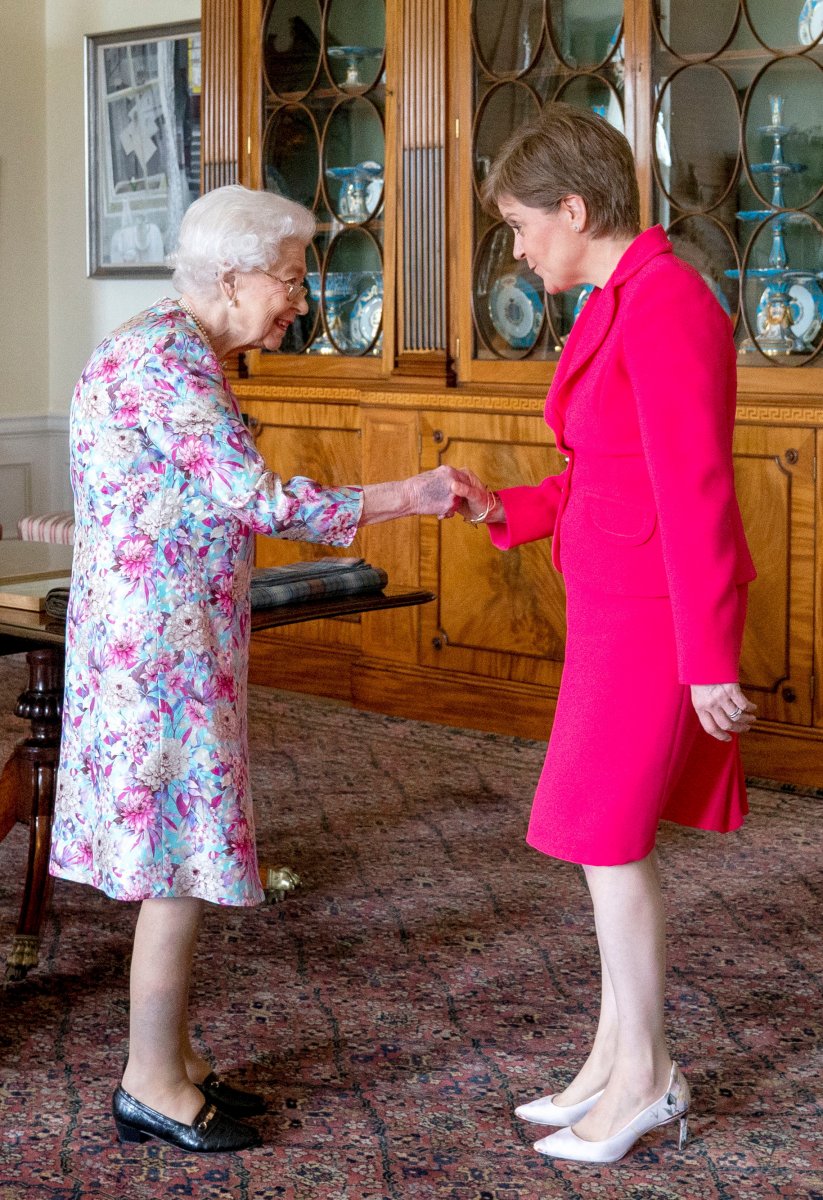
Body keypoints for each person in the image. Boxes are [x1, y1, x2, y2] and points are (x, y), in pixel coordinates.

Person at [48, 184, 468, 1154]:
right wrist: (411, 490)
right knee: (176, 865)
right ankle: (150, 1082)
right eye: (288, 277)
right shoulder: (167, 361)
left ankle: (177, 1061)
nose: (300, 297)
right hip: (159, 660)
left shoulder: (171, 345)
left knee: (179, 857)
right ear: (232, 278)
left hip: (168, 648)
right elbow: (260, 500)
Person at [457, 104, 757, 1165]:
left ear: (574, 211)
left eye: (521, 226)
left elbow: (696, 490)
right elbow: (601, 474)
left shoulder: (667, 302)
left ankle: (645, 1077)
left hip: (652, 619)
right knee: (595, 840)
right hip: (611, 608)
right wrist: (505, 510)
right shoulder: (609, 301)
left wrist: (708, 656)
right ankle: (611, 1057)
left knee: (604, 838)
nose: (519, 246)